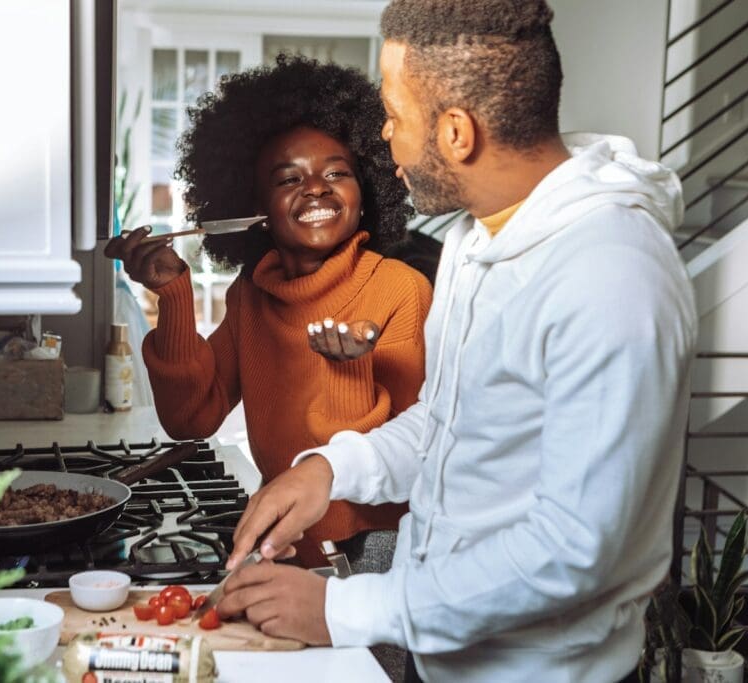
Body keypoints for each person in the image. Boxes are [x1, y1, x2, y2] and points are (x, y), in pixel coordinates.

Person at [218, 2, 698, 682]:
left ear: (455, 132)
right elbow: (455, 423)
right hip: (443, 656)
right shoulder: (478, 239)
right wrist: (330, 469)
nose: (383, 138)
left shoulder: (611, 276)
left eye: (394, 114)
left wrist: (343, 608)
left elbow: (571, 550)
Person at [104, 55, 432, 572]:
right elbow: (191, 419)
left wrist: (347, 368)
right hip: (285, 542)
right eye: (288, 179)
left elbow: (413, 455)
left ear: (366, 192)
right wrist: (173, 296)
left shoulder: (400, 290)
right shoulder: (252, 295)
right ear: (254, 207)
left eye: (336, 173)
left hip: (377, 553)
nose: (317, 187)